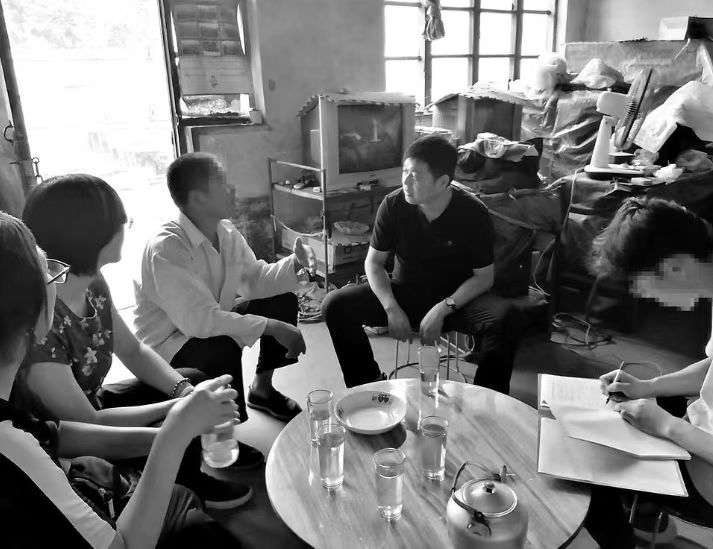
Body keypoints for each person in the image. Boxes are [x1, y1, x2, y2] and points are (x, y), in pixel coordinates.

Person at [0, 211, 241, 548]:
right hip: (88, 462)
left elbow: (55, 434)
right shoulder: (13, 449)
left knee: (189, 382)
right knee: (203, 531)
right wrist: (174, 433)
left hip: (86, 427)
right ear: (32, 308)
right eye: (49, 273)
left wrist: (179, 409)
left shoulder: (12, 414)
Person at [586, 197, 713, 548]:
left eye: (641, 286)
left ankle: (625, 533)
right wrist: (647, 386)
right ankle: (645, 511)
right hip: (707, 436)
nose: (644, 296)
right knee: (622, 413)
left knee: (590, 472)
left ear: (673, 268)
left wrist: (666, 425)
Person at [322, 134, 520, 393]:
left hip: (457, 302)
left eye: (414, 176)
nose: (405, 182)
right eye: (404, 172)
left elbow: (484, 277)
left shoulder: (472, 212)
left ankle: (485, 398)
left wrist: (443, 308)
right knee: (335, 304)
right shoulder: (394, 205)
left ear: (443, 182)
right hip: (403, 293)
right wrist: (391, 308)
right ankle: (367, 385)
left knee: (506, 319)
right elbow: (374, 263)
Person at [134, 152, 314, 422]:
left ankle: (262, 389)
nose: (232, 188)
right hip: (169, 347)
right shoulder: (167, 247)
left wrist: (295, 263)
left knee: (282, 300)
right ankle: (225, 428)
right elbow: (200, 321)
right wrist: (272, 327)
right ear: (198, 198)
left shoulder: (226, 232)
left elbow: (254, 281)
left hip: (207, 323)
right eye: (222, 183)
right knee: (221, 346)